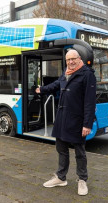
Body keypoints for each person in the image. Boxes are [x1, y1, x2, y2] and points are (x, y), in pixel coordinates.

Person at [35, 49, 96, 196]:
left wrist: (87, 124)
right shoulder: (66, 72)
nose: (70, 62)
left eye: (73, 59)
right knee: (61, 148)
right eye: (68, 60)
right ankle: (61, 177)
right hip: (62, 117)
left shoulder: (87, 74)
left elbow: (90, 101)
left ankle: (82, 180)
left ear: (79, 59)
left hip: (77, 119)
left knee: (79, 152)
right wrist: (41, 89)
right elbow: (57, 84)